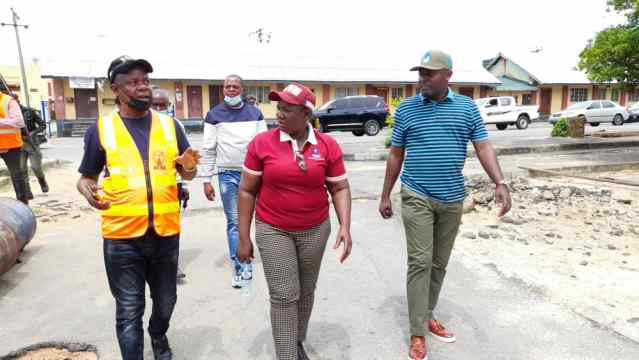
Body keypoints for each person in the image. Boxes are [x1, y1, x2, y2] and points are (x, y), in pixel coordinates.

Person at [378, 50, 512, 360]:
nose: (423, 78)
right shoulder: (408, 110)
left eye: (430, 73)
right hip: (416, 195)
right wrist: (386, 194)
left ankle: (426, 313)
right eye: (421, 73)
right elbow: (396, 153)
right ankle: (417, 332)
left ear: (448, 75)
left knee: (439, 263)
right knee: (421, 262)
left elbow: (483, 146)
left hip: (452, 198)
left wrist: (500, 182)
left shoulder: (466, 108)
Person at [76, 55, 200, 360]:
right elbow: (86, 178)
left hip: (165, 234)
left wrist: (189, 168)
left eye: (145, 81)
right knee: (129, 309)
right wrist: (88, 193)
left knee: (166, 302)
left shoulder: (170, 126)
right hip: (121, 239)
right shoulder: (101, 129)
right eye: (133, 82)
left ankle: (158, 334)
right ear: (115, 89)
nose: (143, 87)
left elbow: (188, 171)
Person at [237, 83, 353, 360]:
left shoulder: (327, 145)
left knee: (306, 291)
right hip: (273, 228)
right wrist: (243, 237)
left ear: (306, 114)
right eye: (279, 107)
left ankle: (295, 341)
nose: (279, 113)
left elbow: (339, 188)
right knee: (284, 295)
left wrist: (345, 226)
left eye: (287, 109)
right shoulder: (262, 144)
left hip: (315, 230)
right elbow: (246, 190)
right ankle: (287, 354)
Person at [201, 74, 267, 288]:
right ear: (223, 90)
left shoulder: (255, 114)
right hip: (227, 174)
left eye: (235, 86)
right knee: (234, 221)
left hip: (253, 174)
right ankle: (241, 267)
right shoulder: (214, 115)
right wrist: (206, 179)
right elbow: (208, 149)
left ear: (242, 89)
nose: (231, 90)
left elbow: (265, 147)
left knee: (252, 220)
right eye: (227, 87)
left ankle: (248, 253)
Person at [152, 88, 189, 280]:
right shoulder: (138, 127)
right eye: (154, 105)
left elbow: (183, 159)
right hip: (145, 191)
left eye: (162, 105)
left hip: (170, 187)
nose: (158, 109)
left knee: (170, 229)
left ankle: (171, 267)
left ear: (169, 107)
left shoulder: (174, 126)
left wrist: (184, 186)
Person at [12, 94, 49, 199]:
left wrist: (33, 133)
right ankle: (27, 191)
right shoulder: (8, 114)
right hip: (18, 144)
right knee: (22, 169)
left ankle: (42, 181)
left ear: (18, 101)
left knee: (36, 167)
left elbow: (43, 125)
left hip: (32, 143)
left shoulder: (30, 111)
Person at [0, 90, 29, 204]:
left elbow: (19, 122)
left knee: (17, 175)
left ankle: (23, 204)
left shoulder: (8, 101)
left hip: (10, 146)